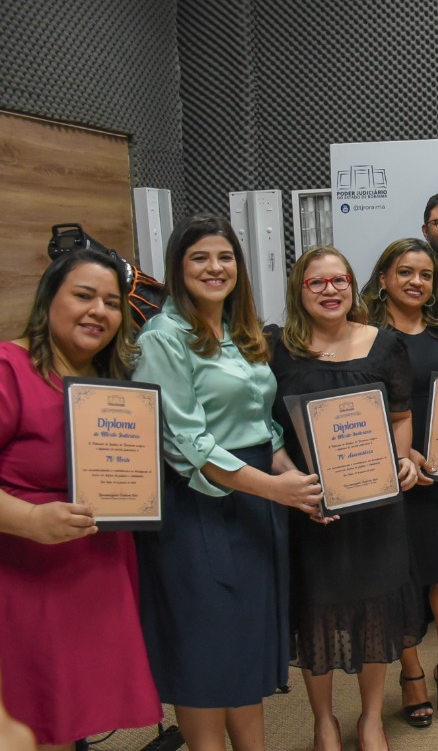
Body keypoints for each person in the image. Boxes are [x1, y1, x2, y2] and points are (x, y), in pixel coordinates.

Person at [132, 215, 323, 751]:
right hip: (199, 509)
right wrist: (274, 488)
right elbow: (186, 443)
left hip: (256, 502)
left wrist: (299, 486)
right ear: (177, 267)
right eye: (200, 258)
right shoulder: (162, 338)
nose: (215, 268)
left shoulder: (244, 334)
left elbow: (263, 427)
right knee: (204, 650)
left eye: (225, 257)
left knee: (244, 647)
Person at [0, 249, 161, 749]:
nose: (100, 311)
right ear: (49, 298)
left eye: (113, 302)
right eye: (84, 296)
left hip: (95, 570)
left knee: (70, 721)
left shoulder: (110, 385)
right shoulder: (10, 368)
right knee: (34, 719)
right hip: (26, 577)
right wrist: (28, 518)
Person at [268, 245, 422, 751]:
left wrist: (403, 462)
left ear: (354, 286)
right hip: (311, 507)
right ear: (300, 290)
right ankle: (323, 721)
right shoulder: (277, 348)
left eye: (339, 281)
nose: (330, 290)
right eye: (317, 282)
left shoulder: (385, 345)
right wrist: (294, 482)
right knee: (316, 611)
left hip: (376, 507)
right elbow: (266, 427)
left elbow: (401, 416)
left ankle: (371, 718)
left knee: (376, 607)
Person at [360, 237, 438, 726]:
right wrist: (401, 455)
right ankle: (410, 675)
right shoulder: (361, 334)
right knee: (400, 575)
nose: (416, 282)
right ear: (384, 278)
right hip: (390, 468)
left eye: (425, 275)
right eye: (405, 272)